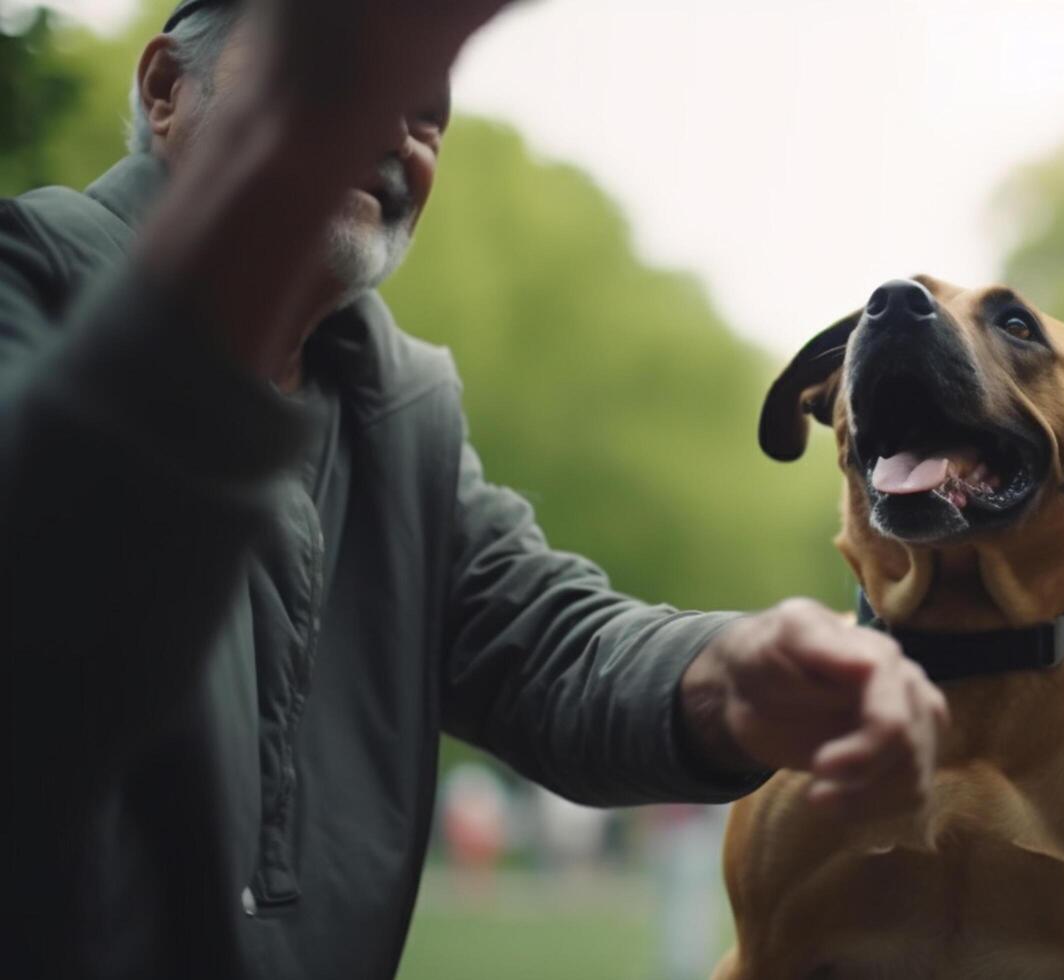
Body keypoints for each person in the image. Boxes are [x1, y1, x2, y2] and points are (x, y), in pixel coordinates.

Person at [0, 1, 947, 975]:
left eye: (424, 117)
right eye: (330, 78)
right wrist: (261, 218)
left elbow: (546, 642)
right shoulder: (23, 280)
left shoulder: (401, 409)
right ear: (165, 89)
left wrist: (723, 670)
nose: (388, 133)